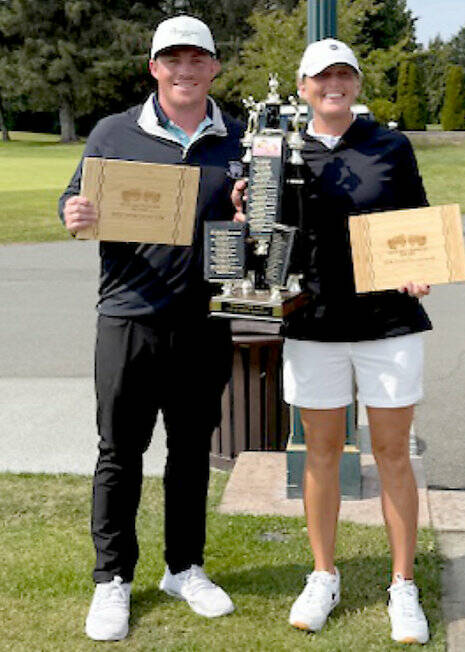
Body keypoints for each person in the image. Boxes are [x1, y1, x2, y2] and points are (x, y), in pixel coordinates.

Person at [232, 38, 431, 644]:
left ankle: (403, 585)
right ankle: (324, 574)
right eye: (323, 77)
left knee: (393, 454)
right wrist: (247, 216)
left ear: (357, 84)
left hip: (388, 322)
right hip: (312, 320)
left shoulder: (390, 145)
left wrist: (421, 263)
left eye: (344, 75)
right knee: (320, 454)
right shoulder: (275, 148)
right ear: (303, 87)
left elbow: (416, 219)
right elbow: (260, 238)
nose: (334, 85)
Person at [59, 15, 243, 642]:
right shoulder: (115, 131)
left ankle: (184, 568)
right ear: (154, 68)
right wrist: (73, 211)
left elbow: (256, 230)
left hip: (203, 321)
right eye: (173, 60)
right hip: (129, 315)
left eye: (197, 59)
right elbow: (75, 204)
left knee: (190, 453)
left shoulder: (241, 139)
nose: (185, 70)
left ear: (215, 67)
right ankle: (112, 579)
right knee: (120, 453)